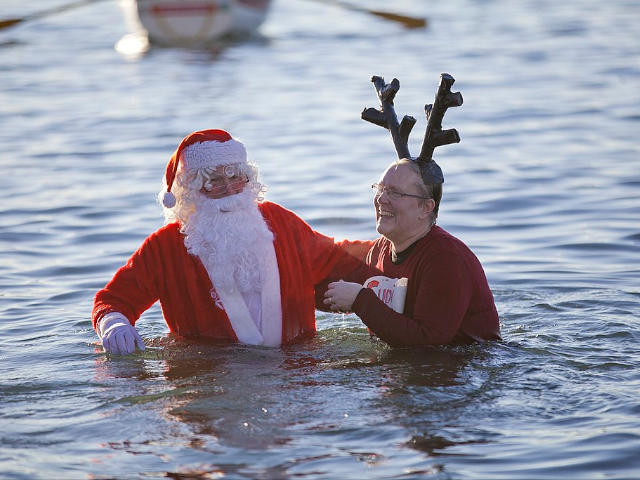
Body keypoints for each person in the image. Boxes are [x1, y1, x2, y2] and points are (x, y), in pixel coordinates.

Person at [92, 129, 370, 354]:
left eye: (236, 178)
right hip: (211, 380)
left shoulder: (280, 222)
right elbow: (113, 300)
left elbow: (339, 258)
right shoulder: (166, 246)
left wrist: (398, 250)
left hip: (295, 377)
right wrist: (114, 324)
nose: (229, 190)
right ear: (191, 189)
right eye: (213, 181)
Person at [322, 158, 501, 347]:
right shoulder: (378, 251)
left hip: (469, 362)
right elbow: (336, 291)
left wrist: (360, 300)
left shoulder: (446, 259)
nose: (381, 198)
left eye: (395, 193)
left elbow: (428, 341)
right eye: (380, 188)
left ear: (425, 208)